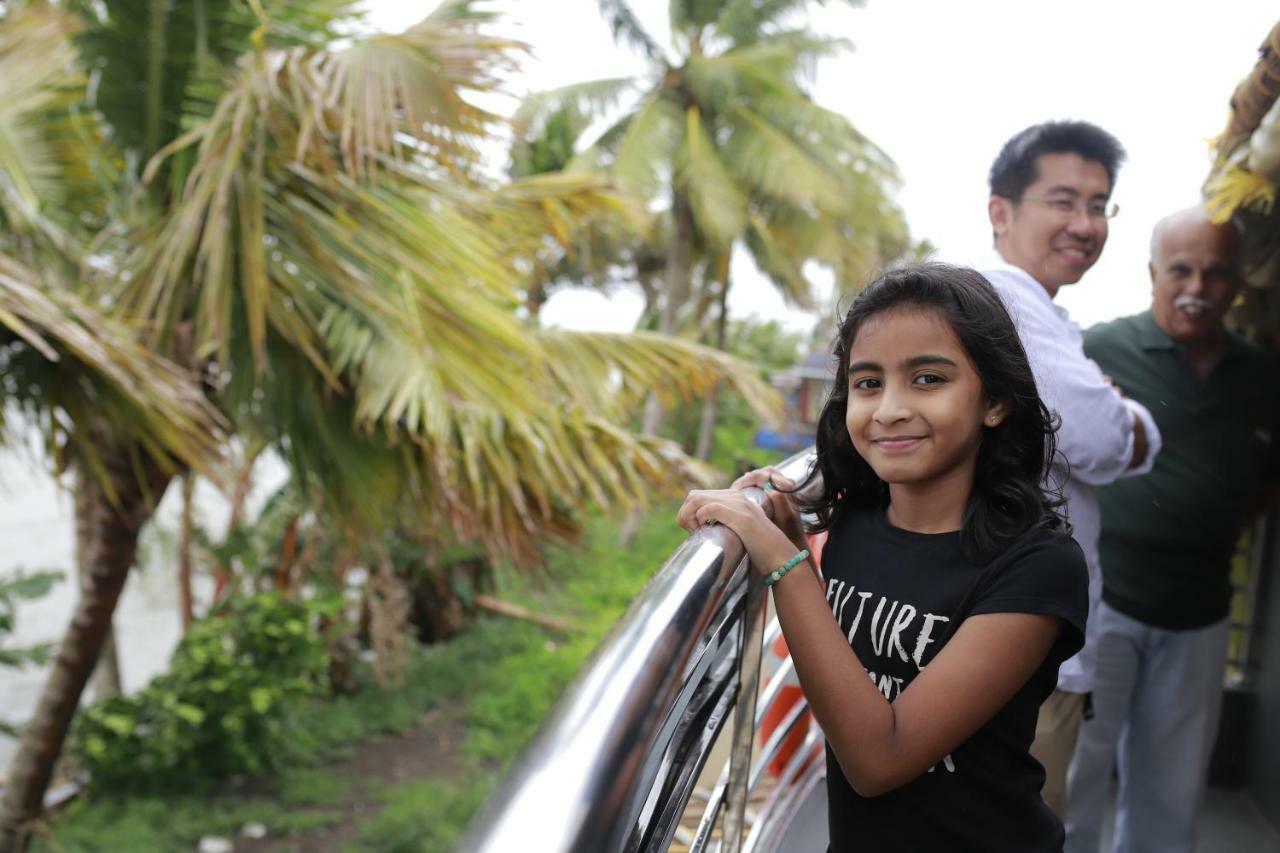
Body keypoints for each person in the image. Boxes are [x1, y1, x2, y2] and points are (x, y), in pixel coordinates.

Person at [678, 264, 1088, 851]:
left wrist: (786, 567)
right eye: (868, 384)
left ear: (994, 400)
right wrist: (792, 539)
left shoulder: (1038, 568)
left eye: (927, 379)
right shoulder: (857, 525)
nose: (889, 408)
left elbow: (880, 759)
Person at [1064, 207, 1280, 853]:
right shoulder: (1101, 347)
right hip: (1104, 603)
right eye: (1180, 269)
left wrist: (1215, 517)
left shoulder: (1262, 376)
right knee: (1075, 774)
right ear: (1152, 272)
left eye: (1216, 273)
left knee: (1171, 789)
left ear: (1238, 282)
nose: (1197, 286)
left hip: (1202, 612)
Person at [979, 120, 1162, 816]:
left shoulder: (1048, 317)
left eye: (1099, 204)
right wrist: (1132, 421)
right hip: (1020, 655)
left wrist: (1121, 420)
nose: (1084, 223)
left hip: (1023, 641)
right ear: (1002, 211)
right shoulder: (1009, 303)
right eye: (1063, 200)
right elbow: (1099, 439)